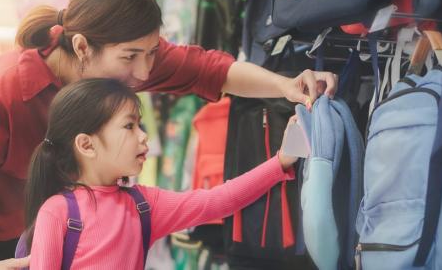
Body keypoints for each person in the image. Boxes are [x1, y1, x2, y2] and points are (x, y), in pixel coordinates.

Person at [0, 0, 337, 268]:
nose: (144, 74)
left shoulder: (139, 199)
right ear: (81, 47)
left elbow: (207, 69)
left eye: (151, 53)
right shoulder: (5, 90)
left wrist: (286, 86)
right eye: (131, 57)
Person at [26, 78, 298, 269]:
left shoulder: (143, 205)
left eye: (140, 125)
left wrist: (281, 161)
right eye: (129, 126)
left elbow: (218, 201)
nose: (144, 137)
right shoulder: (57, 213)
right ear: (87, 144)